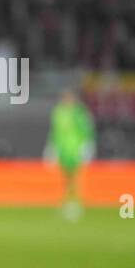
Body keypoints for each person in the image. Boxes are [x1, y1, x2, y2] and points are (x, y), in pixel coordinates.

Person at [44, 90, 96, 220]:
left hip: (75, 148)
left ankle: (77, 203)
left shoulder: (79, 112)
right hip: (63, 149)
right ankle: (66, 202)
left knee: (77, 177)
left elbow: (87, 129)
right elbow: (55, 130)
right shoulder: (58, 112)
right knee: (65, 178)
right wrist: (52, 147)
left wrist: (87, 146)